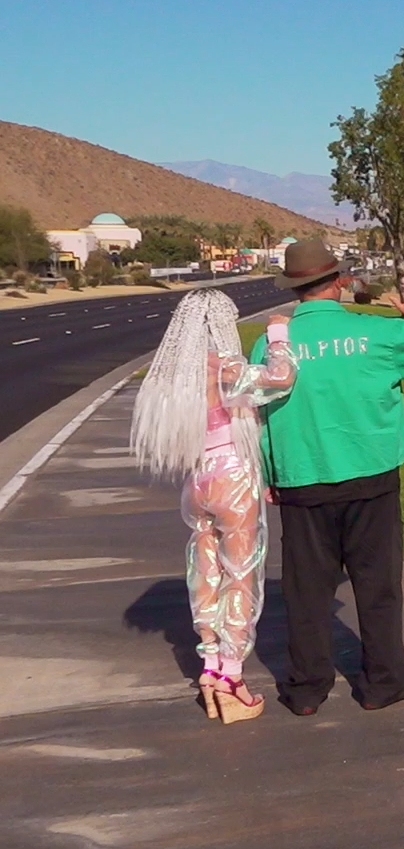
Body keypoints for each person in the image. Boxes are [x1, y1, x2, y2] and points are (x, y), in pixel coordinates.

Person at [256, 240, 404, 715]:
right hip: (371, 476)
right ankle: (383, 682)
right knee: (377, 584)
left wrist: (267, 471)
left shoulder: (271, 344)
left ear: (295, 288)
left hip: (302, 478)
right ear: (339, 281)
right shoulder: (373, 335)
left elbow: (256, 415)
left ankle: (306, 689)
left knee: (306, 590)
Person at [131, 290, 298, 724]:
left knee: (204, 569)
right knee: (241, 575)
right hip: (233, 476)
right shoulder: (223, 368)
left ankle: (209, 666)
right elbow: (281, 379)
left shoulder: (172, 377)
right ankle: (232, 677)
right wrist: (278, 334)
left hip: (198, 479)